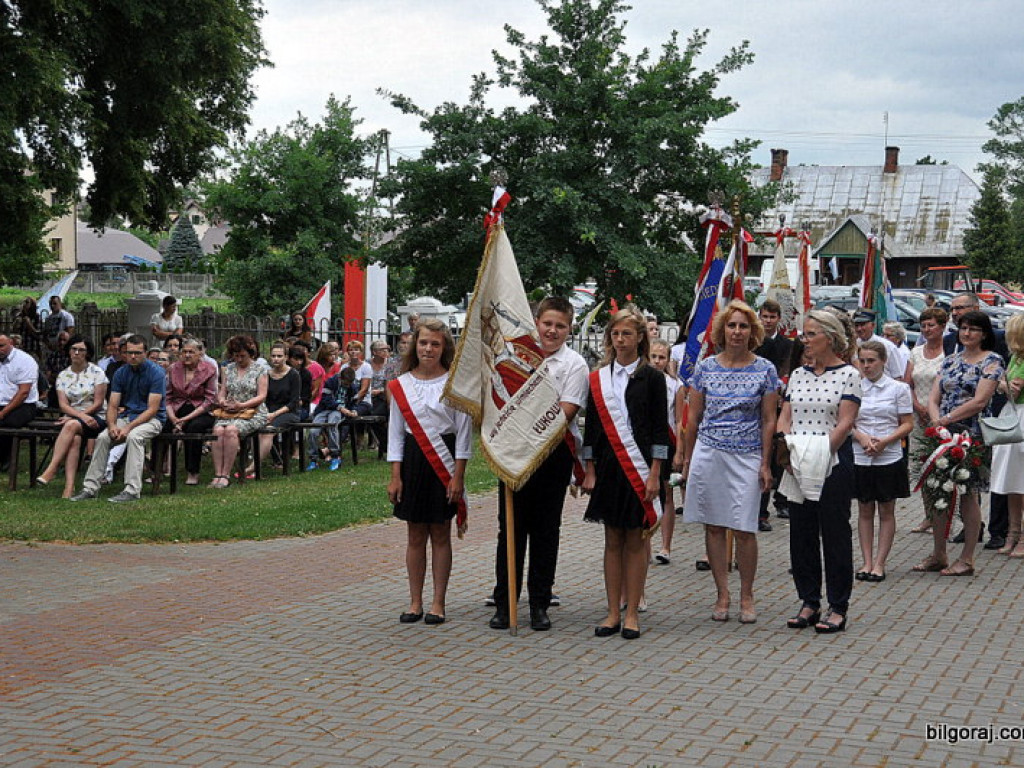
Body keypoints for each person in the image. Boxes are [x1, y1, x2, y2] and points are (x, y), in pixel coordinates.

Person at [488, 297, 589, 632]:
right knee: (510, 531)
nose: (552, 331)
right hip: (514, 454)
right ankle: (505, 603)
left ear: (569, 329)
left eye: (560, 326)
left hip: (552, 455)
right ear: (536, 323)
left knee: (546, 532)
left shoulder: (574, 365)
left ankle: (539, 604)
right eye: (547, 323)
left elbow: (567, 411)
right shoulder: (516, 358)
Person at [681, 300, 778, 624]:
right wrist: (687, 460)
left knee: (745, 527)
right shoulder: (706, 367)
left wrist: (765, 464)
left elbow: (768, 420)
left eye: (744, 326)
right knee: (714, 525)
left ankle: (746, 594)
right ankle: (722, 593)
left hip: (748, 454)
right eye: (732, 325)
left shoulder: (765, 369)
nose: (737, 332)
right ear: (722, 330)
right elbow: (693, 419)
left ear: (753, 331)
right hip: (710, 453)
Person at [581, 307, 669, 640]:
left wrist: (655, 474)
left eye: (627, 334)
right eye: (615, 334)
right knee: (612, 540)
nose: (620, 340)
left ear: (640, 338)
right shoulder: (599, 377)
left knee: (635, 540)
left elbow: (661, 429)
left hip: (641, 467)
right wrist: (589, 468)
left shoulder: (653, 377)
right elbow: (591, 429)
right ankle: (611, 611)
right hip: (609, 468)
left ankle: (632, 612)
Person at [777, 309, 861, 634]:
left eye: (812, 334)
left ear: (830, 337)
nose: (805, 340)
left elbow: (845, 421)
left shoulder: (849, 375)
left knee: (835, 534)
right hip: (797, 462)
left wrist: (821, 455)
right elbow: (786, 415)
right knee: (801, 534)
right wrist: (785, 450)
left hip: (833, 462)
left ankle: (838, 606)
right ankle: (809, 601)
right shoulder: (798, 375)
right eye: (805, 334)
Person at [387, 319, 471, 626]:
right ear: (414, 345)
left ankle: (438, 602)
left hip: (444, 460)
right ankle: (415, 601)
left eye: (435, 344)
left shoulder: (454, 384)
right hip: (412, 461)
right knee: (414, 533)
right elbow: (395, 433)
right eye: (423, 343)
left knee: (440, 532)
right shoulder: (400, 384)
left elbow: (463, 434)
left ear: (444, 348)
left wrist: (458, 475)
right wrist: (395, 475)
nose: (428, 349)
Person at [915, 310, 1004, 576]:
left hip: (971, 435)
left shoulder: (992, 361)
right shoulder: (951, 360)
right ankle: (939, 553)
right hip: (942, 433)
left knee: (967, 493)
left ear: (984, 333)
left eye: (973, 329)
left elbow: (980, 401)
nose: (967, 333)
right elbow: (934, 396)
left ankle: (966, 558)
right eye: (963, 328)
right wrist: (936, 422)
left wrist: (946, 419)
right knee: (937, 491)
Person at [944, 292, 1010, 550]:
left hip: (988, 419)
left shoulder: (997, 341)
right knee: (963, 482)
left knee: (993, 477)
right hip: (952, 426)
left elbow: (1001, 375)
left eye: (960, 308)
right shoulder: (950, 342)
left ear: (975, 308)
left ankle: (999, 529)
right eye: (953, 310)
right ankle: (973, 526)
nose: (955, 313)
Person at [70, 334, 166, 503]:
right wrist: (112, 425)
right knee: (103, 437)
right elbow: (112, 405)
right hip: (127, 416)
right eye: (130, 353)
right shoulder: (121, 372)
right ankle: (90, 488)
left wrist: (128, 429)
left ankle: (131, 490)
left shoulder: (156, 373)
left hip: (153, 419)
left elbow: (152, 409)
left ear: (146, 353)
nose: (133, 356)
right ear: (125, 354)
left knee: (135, 438)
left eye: (137, 353)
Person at [852, 341, 913, 583]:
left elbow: (907, 423)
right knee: (864, 509)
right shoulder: (854, 386)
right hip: (861, 453)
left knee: (886, 510)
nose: (866, 366)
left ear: (883, 361)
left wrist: (886, 441)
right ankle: (866, 561)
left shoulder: (898, 388)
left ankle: (880, 563)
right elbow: (845, 421)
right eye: (863, 361)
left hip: (889, 455)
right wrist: (863, 438)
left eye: (871, 361)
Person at [36, 336, 109, 497]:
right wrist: (78, 417)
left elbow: (98, 403)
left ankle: (52, 469)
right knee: (74, 438)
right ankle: (69, 488)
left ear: (87, 353)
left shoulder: (97, 372)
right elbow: (63, 405)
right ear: (69, 351)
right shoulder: (63, 375)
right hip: (74, 417)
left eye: (81, 350)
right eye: (73, 349)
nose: (77, 352)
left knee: (71, 426)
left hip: (96, 417)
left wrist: (79, 417)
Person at [904, 307, 947, 533]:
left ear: (942, 326)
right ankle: (928, 515)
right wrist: (918, 407)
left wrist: (934, 414)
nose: (927, 329)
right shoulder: (916, 352)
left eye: (932, 325)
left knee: (942, 465)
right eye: (924, 325)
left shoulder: (948, 353)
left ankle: (943, 515)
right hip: (918, 415)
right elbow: (907, 382)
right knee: (922, 466)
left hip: (940, 417)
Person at [754, 299, 795, 529]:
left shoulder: (786, 345)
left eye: (772, 317)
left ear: (779, 319)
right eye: (765, 316)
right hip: (758, 406)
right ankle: (760, 511)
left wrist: (781, 390)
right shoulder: (754, 342)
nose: (768, 321)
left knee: (777, 455)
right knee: (764, 456)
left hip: (780, 406)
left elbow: (786, 369)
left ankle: (781, 500)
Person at [209, 335, 268, 488]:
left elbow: (261, 395)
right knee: (217, 431)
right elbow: (223, 391)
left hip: (253, 412)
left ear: (250, 354)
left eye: (243, 356)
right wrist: (222, 401)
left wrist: (242, 405)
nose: (239, 359)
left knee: (231, 430)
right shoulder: (228, 369)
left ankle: (226, 475)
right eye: (236, 356)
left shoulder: (260, 369)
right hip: (230, 410)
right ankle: (218, 473)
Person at [991, 313, 1024, 558]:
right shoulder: (1014, 358)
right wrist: (1002, 384)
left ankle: (1022, 537)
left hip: (1022, 415)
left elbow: (1013, 388)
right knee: (1012, 479)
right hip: (1012, 415)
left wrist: (1004, 385)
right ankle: (1013, 532)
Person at [164, 338, 218, 486]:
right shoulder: (173, 369)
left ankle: (192, 471)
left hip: (201, 411)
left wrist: (185, 419)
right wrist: (173, 418)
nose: (187, 355)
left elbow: (210, 400)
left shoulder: (209, 369)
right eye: (184, 351)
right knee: (161, 425)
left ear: (200, 353)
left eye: (191, 352)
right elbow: (167, 397)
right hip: (176, 409)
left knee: (194, 428)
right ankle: (156, 468)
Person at [649, 338, 683, 565]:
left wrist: (680, 451)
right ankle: (643, 542)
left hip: (667, 441)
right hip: (643, 442)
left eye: (662, 357)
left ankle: (665, 546)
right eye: (654, 356)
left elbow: (680, 420)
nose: (657, 361)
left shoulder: (675, 385)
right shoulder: (638, 380)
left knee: (666, 495)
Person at [252, 341, 301, 472]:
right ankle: (276, 459)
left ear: (286, 357)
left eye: (279, 356)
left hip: (288, 412)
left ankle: (253, 467)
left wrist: (274, 414)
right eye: (273, 356)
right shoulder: (266, 374)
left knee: (269, 431)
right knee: (255, 428)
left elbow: (293, 402)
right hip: (268, 411)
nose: (276, 359)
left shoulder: (294, 375)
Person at [0, 333, 41, 470]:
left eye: (2, 346)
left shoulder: (24, 361)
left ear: (11, 343)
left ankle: (7, 457)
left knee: (9, 421)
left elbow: (24, 392)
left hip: (23, 405)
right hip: (2, 402)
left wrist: (3, 412)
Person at [852, 309, 905, 379]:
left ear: (873, 325)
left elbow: (898, 376)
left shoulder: (887, 346)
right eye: (856, 325)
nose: (859, 329)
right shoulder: (852, 346)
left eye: (862, 325)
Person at [368, 339, 395, 453]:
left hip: (384, 396)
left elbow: (390, 384)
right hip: (368, 395)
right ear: (374, 352)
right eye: (382, 349)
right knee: (369, 415)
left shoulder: (391, 364)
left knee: (376, 416)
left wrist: (379, 391)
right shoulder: (367, 363)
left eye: (387, 349)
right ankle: (385, 445)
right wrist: (369, 391)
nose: (386, 351)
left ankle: (386, 446)